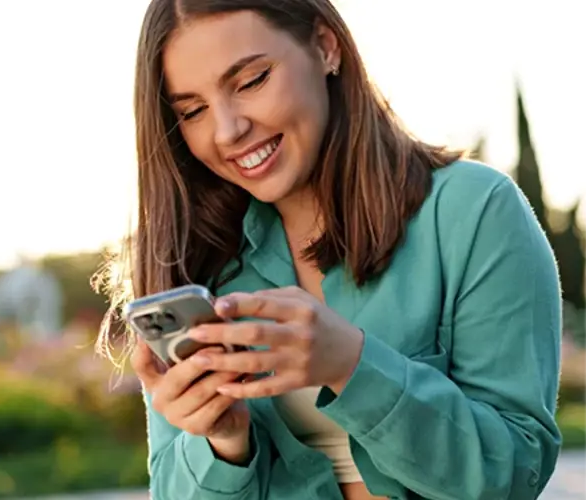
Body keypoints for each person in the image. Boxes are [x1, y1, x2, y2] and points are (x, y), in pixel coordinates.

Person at [95, 0, 563, 498]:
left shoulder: (473, 210)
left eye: (251, 81)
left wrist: (352, 367)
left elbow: (515, 472)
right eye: (192, 111)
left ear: (324, 46)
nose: (228, 129)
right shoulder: (194, 262)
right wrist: (223, 442)